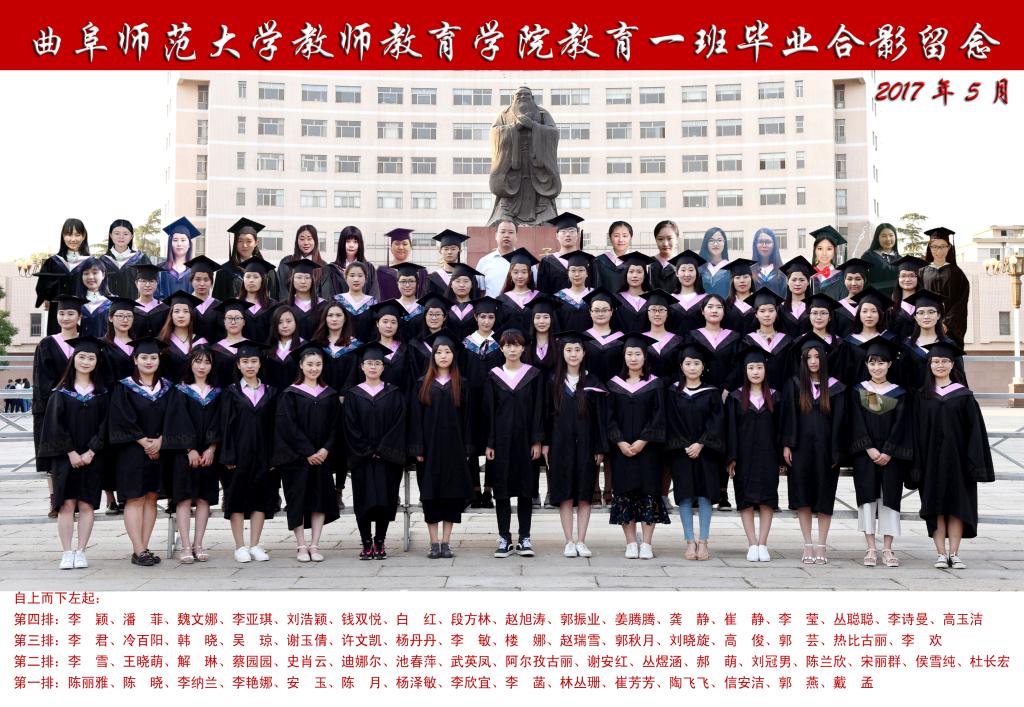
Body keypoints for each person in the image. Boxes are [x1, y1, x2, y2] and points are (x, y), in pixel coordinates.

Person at [911, 341, 994, 570]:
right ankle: (940, 554)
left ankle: (955, 554)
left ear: (952, 365)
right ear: (929, 365)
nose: (940, 365)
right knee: (936, 508)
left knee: (958, 508)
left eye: (945, 361)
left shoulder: (964, 395)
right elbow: (915, 432)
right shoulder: (921, 396)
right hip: (931, 462)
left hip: (958, 463)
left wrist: (974, 463)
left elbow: (975, 433)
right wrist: (916, 464)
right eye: (936, 361)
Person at [39, 336, 109, 570]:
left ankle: (81, 551)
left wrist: (92, 451)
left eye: (91, 358)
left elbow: (105, 426)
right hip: (65, 458)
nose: (86, 362)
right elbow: (54, 426)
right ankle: (67, 552)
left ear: (97, 362)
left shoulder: (102, 394)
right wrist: (70, 452)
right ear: (73, 359)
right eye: (82, 357)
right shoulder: (61, 392)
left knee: (87, 505)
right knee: (67, 505)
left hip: (93, 457)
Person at [781, 334, 847, 566]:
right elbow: (788, 417)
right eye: (808, 357)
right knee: (803, 496)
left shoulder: (836, 387)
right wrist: (787, 444)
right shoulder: (794, 385)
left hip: (827, 451)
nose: (813, 361)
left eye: (817, 356)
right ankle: (808, 543)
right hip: (801, 449)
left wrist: (837, 450)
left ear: (824, 359)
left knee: (824, 496)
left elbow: (841, 422)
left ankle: (822, 544)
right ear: (803, 360)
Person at [106, 336, 172, 567]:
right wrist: (145, 443)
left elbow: (174, 417)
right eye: (144, 357)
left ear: (159, 360)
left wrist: (161, 440)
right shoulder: (123, 387)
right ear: (135, 360)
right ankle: (138, 548)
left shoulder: (168, 388)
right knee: (135, 498)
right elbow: (121, 419)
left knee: (152, 497)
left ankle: (144, 547)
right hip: (132, 451)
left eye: (153, 357)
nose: (149, 361)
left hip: (159, 450)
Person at [272, 342, 341, 563]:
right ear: (301, 365)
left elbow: (336, 426)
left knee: (320, 500)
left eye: (318, 364)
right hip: (297, 459)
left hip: (322, 458)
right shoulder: (290, 394)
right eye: (309, 364)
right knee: (298, 501)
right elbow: (288, 427)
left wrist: (325, 449)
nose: (314, 368)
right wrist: (308, 452)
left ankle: (315, 544)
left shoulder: (329, 394)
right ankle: (301, 545)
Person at [408, 333, 474, 559]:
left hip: (454, 449)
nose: (443, 356)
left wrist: (467, 447)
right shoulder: (422, 384)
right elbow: (415, 419)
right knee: (430, 495)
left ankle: (446, 542)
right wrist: (417, 447)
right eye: (439, 352)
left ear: (453, 355)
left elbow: (468, 420)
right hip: (429, 450)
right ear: (433, 356)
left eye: (447, 352)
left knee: (452, 495)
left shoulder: (462, 384)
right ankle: (433, 542)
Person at [848, 338, 913, 568]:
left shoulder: (899, 393)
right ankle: (870, 548)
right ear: (866, 365)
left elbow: (902, 425)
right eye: (872, 363)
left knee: (890, 500)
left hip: (890, 457)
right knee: (867, 499)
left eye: (881, 363)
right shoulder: (858, 390)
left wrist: (888, 451)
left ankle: (887, 548)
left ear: (889, 365)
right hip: (865, 455)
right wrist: (869, 448)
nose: (877, 367)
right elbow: (855, 422)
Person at [544, 331, 607, 558]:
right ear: (562, 353)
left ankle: (581, 540)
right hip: (560, 445)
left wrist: (600, 446)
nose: (573, 354)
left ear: (584, 353)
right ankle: (568, 541)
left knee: (584, 493)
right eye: (569, 350)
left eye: (577, 350)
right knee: (565, 492)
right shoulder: (552, 381)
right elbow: (545, 416)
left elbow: (600, 419)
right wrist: (545, 443)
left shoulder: (593, 382)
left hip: (587, 445)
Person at [344, 341, 408, 560]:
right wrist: (367, 449)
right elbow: (349, 426)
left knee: (385, 499)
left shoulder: (394, 393)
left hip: (386, 457)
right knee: (363, 501)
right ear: (362, 366)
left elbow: (399, 423)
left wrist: (382, 449)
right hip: (362, 458)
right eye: (369, 363)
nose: (373, 367)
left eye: (377, 363)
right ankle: (366, 542)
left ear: (383, 366)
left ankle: (380, 541)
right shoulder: (353, 394)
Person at [484, 329, 545, 558]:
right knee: (501, 490)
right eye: (508, 345)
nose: (512, 349)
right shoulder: (493, 375)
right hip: (500, 442)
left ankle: (525, 538)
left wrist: (537, 440)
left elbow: (539, 410)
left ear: (523, 348)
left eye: (516, 345)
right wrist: (489, 442)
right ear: (501, 349)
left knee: (525, 490)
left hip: (526, 441)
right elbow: (488, 412)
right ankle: (504, 537)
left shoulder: (534, 375)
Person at [606, 333, 667, 560]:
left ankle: (647, 543)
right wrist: (620, 441)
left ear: (645, 357)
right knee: (625, 494)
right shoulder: (614, 384)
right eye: (629, 354)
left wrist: (643, 441)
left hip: (648, 450)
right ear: (624, 357)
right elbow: (608, 417)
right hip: (621, 450)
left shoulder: (655, 384)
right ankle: (631, 543)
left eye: (637, 354)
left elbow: (659, 416)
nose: (633, 358)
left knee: (649, 493)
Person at [219, 339, 278, 563]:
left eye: (253, 361)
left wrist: (274, 456)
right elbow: (225, 425)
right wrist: (228, 454)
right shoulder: (230, 392)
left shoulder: (271, 392)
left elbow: (275, 426)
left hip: (264, 453)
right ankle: (239, 546)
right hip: (238, 454)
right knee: (236, 499)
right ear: (238, 365)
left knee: (261, 498)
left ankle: (255, 544)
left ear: (260, 363)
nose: (250, 365)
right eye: (245, 361)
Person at [665, 342, 725, 561]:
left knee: (705, 495)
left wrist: (701, 444)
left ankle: (703, 541)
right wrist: (684, 444)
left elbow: (717, 422)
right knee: (684, 495)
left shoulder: (712, 393)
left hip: (706, 452)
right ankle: (690, 541)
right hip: (680, 451)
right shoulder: (673, 392)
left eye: (696, 363)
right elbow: (671, 421)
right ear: (681, 366)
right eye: (688, 363)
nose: (692, 367)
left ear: (703, 367)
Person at [162, 346, 221, 564]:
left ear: (212, 366)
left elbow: (220, 422)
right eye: (198, 361)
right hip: (184, 454)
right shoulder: (180, 390)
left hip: (208, 455)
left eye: (206, 362)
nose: (202, 366)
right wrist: (190, 449)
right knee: (184, 498)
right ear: (190, 363)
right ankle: (185, 545)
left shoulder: (217, 392)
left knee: (204, 498)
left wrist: (211, 448)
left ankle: (198, 544)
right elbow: (177, 421)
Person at [726, 346, 783, 562]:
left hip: (769, 456)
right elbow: (730, 430)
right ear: (745, 370)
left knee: (767, 499)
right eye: (751, 367)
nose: (755, 372)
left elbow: (781, 429)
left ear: (765, 370)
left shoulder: (776, 397)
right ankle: (752, 544)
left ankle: (763, 543)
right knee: (746, 499)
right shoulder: (735, 397)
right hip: (744, 456)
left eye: (759, 367)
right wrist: (731, 457)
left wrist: (780, 458)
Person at [32, 293, 84, 516]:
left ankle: (79, 499)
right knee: (55, 456)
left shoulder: (87, 343)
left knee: (79, 453)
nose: (65, 317)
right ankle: (55, 500)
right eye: (61, 313)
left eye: (70, 313)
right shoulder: (47, 343)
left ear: (79, 317)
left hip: (82, 407)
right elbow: (42, 381)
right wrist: (55, 404)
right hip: (54, 407)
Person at [487, 85, 561, 225]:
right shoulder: (504, 115)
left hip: (536, 162)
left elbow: (553, 133)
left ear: (532, 98)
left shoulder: (542, 114)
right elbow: (495, 133)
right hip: (512, 163)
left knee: (541, 190)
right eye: (519, 95)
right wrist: (514, 127)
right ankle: (506, 213)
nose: (522, 97)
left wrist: (533, 126)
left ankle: (543, 213)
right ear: (513, 98)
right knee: (509, 190)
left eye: (526, 95)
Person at [459, 296, 505, 509]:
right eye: (483, 317)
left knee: (492, 444)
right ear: (476, 317)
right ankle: (474, 490)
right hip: (471, 402)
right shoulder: (466, 344)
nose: (487, 321)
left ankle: (489, 490)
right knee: (471, 445)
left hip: (494, 402)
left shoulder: (501, 344)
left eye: (491, 317)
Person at [894, 290, 966, 392]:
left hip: (944, 400)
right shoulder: (907, 346)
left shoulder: (949, 345)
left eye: (931, 312)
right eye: (921, 313)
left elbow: (959, 377)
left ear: (938, 315)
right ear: (915, 317)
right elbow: (902, 379)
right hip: (914, 399)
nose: (926, 316)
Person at [35, 218, 90, 336]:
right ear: (63, 236)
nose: (73, 239)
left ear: (84, 236)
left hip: (86, 314)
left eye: (77, 235)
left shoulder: (92, 263)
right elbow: (41, 290)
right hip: (59, 314)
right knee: (59, 344)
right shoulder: (53, 262)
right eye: (69, 235)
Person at [919, 226, 970, 348]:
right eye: (935, 247)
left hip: (950, 329)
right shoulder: (922, 272)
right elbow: (918, 299)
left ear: (949, 248)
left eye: (942, 246)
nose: (939, 251)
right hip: (927, 325)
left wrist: (946, 323)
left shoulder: (957, 273)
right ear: (930, 248)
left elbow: (961, 302)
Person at [213, 218, 279, 301]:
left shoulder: (268, 270)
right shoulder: (225, 271)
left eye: (249, 241)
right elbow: (218, 302)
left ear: (256, 243)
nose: (244, 245)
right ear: (235, 243)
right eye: (240, 241)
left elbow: (275, 298)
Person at [157, 292, 207, 384]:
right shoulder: (161, 342)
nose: (181, 315)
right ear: (171, 315)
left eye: (186, 311)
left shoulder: (202, 342)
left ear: (191, 315)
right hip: (168, 391)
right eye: (176, 311)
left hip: (194, 391)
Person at [319, 226, 380, 301]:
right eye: (348, 241)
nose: (351, 245)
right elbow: (326, 297)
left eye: (355, 242)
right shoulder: (330, 270)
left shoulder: (369, 269)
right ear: (342, 243)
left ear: (360, 244)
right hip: (337, 308)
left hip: (365, 308)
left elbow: (375, 297)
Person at [100, 219, 152, 300]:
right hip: (109, 306)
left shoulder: (141, 259)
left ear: (131, 236)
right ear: (110, 235)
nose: (121, 237)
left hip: (135, 306)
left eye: (125, 234)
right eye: (117, 233)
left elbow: (152, 285)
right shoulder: (102, 261)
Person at [537, 212, 588, 295]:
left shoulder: (588, 261)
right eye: (563, 231)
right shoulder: (547, 262)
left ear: (578, 234)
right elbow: (542, 292)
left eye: (572, 231)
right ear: (557, 236)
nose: (568, 235)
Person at [209, 299, 254, 386]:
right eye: (229, 318)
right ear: (224, 322)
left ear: (244, 322)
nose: (233, 322)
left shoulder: (252, 346)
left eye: (237, 318)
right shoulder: (215, 349)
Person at [497, 247, 541, 336]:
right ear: (510, 274)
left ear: (530, 274)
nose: (520, 276)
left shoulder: (539, 297)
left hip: (534, 343)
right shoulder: (501, 300)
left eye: (524, 272)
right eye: (515, 272)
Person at [276, 225, 327, 301]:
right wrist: (288, 306)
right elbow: (281, 289)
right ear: (297, 241)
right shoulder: (286, 262)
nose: (306, 243)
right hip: (288, 306)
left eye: (309, 239)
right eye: (302, 239)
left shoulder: (323, 266)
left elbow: (325, 294)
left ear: (315, 241)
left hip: (315, 307)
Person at [334, 261, 378, 344]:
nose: (356, 279)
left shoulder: (372, 303)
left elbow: (375, 331)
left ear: (365, 278)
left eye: (360, 276)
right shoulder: (337, 300)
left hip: (366, 348)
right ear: (346, 277)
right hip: (342, 347)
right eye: (352, 275)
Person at [377, 227, 427, 301]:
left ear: (410, 247)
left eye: (405, 244)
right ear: (391, 247)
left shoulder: (422, 272)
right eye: (397, 244)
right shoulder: (381, 273)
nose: (401, 247)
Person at [156, 216, 200, 299]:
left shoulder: (196, 270)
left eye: (183, 240)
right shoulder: (160, 270)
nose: (179, 244)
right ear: (170, 243)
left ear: (189, 244)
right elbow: (155, 297)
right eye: (175, 240)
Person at [282, 258, 326, 341]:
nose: (303, 281)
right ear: (292, 280)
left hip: (317, 348)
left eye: (307, 277)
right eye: (299, 277)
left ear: (312, 281)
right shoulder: (284, 305)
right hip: (292, 348)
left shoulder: (323, 305)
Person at [238, 257, 278, 346]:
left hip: (266, 352)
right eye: (247, 276)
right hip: (242, 352)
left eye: (256, 277)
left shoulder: (273, 306)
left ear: (263, 280)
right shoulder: (236, 305)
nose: (251, 280)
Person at [553, 250, 596, 332]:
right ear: (568, 273)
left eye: (581, 270)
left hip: (590, 339)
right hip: (567, 340)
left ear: (587, 273)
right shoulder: (558, 297)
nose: (577, 274)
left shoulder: (594, 295)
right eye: (573, 270)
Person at [184, 255, 224, 342]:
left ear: (211, 282)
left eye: (206, 280)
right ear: (191, 281)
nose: (202, 284)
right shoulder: (184, 304)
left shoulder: (220, 306)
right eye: (198, 279)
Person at [887, 256, 927, 342]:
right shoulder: (890, 307)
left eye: (912, 275)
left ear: (918, 278)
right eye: (903, 276)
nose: (907, 279)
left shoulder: (927, 303)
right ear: (898, 278)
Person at [476, 220, 520, 298]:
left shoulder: (526, 261)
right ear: (496, 235)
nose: (506, 235)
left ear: (516, 236)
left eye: (511, 232)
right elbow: (479, 291)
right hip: (491, 305)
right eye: (502, 232)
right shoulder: (484, 262)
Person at [613, 251, 654, 334]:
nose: (634, 275)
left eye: (639, 272)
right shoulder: (616, 299)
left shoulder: (652, 298)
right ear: (626, 274)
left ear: (644, 275)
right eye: (631, 271)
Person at [263, 305, 302, 390]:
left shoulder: (304, 346)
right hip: (272, 395)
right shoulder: (267, 348)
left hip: (297, 394)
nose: (285, 326)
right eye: (280, 322)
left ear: (295, 322)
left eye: (288, 321)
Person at [668, 250, 708, 334]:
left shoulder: (706, 300)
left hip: (699, 342)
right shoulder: (670, 300)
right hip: (675, 342)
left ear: (697, 273)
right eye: (683, 270)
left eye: (691, 270)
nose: (687, 274)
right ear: (676, 273)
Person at [445, 263, 488, 342]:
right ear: (451, 284)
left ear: (472, 285)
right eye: (457, 281)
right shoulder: (444, 306)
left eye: (466, 281)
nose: (462, 285)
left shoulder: (480, 307)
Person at [831, 258, 872, 339]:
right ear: (844, 280)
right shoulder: (837, 308)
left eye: (858, 279)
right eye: (849, 279)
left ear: (864, 280)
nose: (853, 283)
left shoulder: (873, 305)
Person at [426, 229, 475, 298]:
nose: (449, 252)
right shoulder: (433, 278)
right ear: (440, 251)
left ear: (460, 251)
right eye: (446, 249)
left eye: (453, 249)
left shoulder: (470, 276)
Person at [74, 257, 113, 338]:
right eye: (86, 273)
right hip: (82, 345)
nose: (90, 277)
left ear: (103, 275)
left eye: (95, 273)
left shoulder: (113, 302)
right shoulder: (75, 302)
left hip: (107, 345)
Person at [593, 221, 634, 294]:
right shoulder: (599, 261)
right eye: (616, 236)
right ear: (610, 237)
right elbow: (596, 290)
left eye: (625, 236)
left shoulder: (637, 261)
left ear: (630, 237)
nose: (621, 240)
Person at [861, 222, 901, 297]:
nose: (888, 239)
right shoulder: (868, 256)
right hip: (875, 297)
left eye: (891, 235)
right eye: (884, 236)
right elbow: (863, 280)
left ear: (895, 237)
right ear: (877, 238)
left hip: (896, 298)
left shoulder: (900, 259)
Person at [129, 263, 169, 339]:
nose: (147, 285)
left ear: (157, 283)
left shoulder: (165, 308)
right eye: (143, 281)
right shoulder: (130, 307)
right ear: (136, 283)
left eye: (151, 281)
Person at [391, 262, 428, 342]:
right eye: (403, 281)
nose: (407, 285)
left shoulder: (424, 307)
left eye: (411, 281)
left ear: (417, 283)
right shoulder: (392, 306)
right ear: (397, 283)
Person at [779, 256, 815, 337]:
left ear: (808, 282)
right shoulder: (780, 308)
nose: (797, 283)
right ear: (788, 282)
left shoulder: (814, 307)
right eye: (794, 280)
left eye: (802, 280)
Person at [809, 225, 848, 300]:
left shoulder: (842, 277)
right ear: (815, 250)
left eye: (829, 249)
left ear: (834, 251)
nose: (824, 253)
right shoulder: (807, 275)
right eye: (820, 248)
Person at [722, 259, 757, 335]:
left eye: (746, 277)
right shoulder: (725, 305)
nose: (742, 281)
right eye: (737, 277)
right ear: (732, 281)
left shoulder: (758, 302)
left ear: (751, 279)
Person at [750, 227, 787, 298]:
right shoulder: (749, 271)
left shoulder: (782, 271)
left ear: (774, 245)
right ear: (755, 244)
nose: (764, 245)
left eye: (768, 242)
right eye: (760, 242)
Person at [698, 227, 732, 298]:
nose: (716, 244)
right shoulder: (699, 268)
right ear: (706, 243)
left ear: (724, 242)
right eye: (711, 240)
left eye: (719, 240)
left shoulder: (731, 268)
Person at [648, 220, 680, 294]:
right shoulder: (648, 264)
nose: (665, 244)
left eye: (669, 238)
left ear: (677, 239)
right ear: (656, 240)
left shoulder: (684, 264)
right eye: (660, 239)